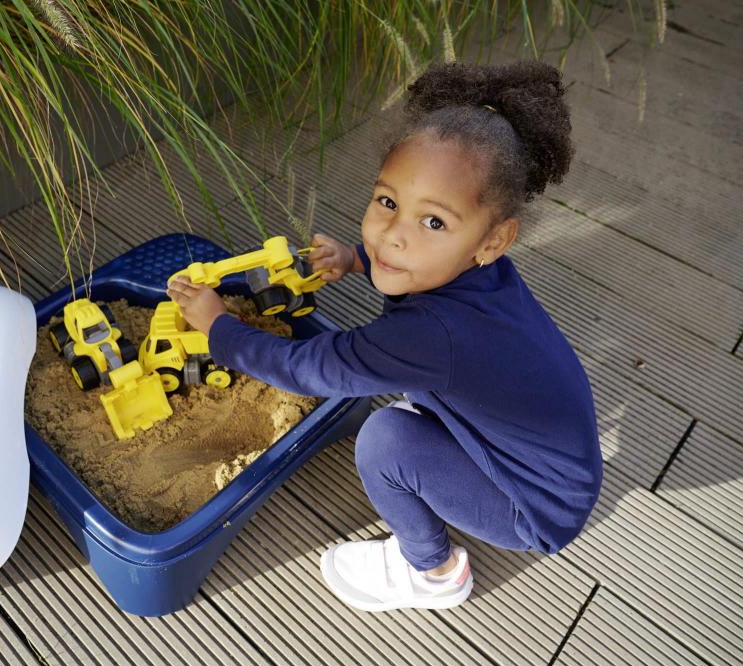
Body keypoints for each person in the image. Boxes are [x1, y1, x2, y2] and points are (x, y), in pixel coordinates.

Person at [166, 61, 602, 612]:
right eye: (388, 202)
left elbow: (310, 369)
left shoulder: (430, 336)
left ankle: (433, 573)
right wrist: (353, 258)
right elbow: (401, 258)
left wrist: (217, 326)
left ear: (494, 240)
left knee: (384, 440)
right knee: (410, 407)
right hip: (553, 461)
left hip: (535, 507)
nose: (393, 236)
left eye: (434, 222)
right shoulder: (477, 274)